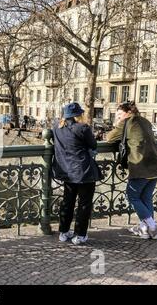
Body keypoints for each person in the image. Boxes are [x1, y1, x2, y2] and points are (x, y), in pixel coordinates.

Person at [106, 101, 157, 239]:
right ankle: (145, 229)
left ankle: (152, 226)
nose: (118, 118)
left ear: (128, 113)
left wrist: (118, 125)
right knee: (146, 197)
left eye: (120, 115)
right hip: (156, 165)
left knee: (132, 195)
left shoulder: (126, 123)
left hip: (141, 166)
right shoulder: (145, 121)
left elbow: (109, 138)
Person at [52, 103, 102, 245]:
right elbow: (93, 145)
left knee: (68, 202)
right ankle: (79, 235)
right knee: (84, 204)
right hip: (83, 172)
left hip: (67, 171)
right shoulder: (83, 128)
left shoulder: (56, 127)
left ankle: (63, 232)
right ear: (77, 115)